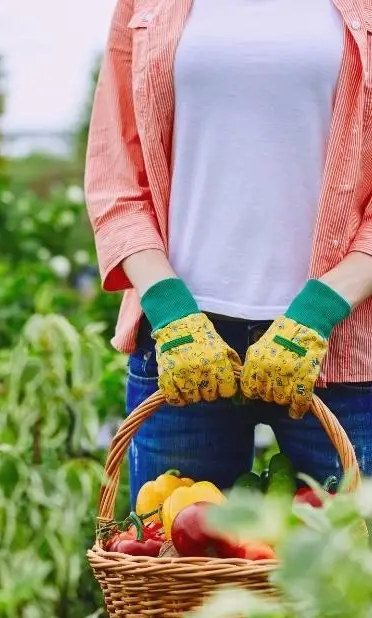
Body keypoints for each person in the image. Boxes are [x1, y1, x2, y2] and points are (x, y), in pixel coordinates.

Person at [85, 0, 372, 502]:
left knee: (351, 573)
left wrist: (320, 309)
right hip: (181, 347)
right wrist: (170, 311)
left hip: (340, 348)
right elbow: (115, 179)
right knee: (173, 571)